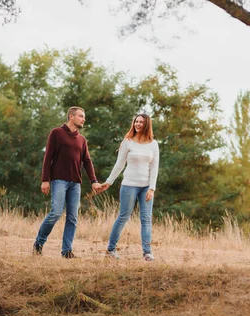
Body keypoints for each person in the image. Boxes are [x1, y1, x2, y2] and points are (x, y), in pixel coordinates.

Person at [33, 106, 102, 258]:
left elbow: (87, 161)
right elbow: (48, 157)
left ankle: (66, 251)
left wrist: (94, 181)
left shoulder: (82, 139)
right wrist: (45, 179)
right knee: (56, 213)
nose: (83, 119)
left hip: (75, 183)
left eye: (83, 116)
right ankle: (39, 242)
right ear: (71, 117)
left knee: (72, 217)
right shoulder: (56, 133)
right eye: (81, 116)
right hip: (59, 181)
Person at [100, 113, 160, 262]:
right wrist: (109, 181)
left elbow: (154, 168)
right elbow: (119, 164)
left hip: (146, 187)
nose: (138, 124)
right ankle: (111, 249)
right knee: (123, 217)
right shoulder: (128, 142)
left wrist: (152, 188)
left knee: (146, 219)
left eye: (141, 122)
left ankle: (147, 252)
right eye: (136, 122)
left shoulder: (153, 144)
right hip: (129, 185)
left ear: (146, 125)